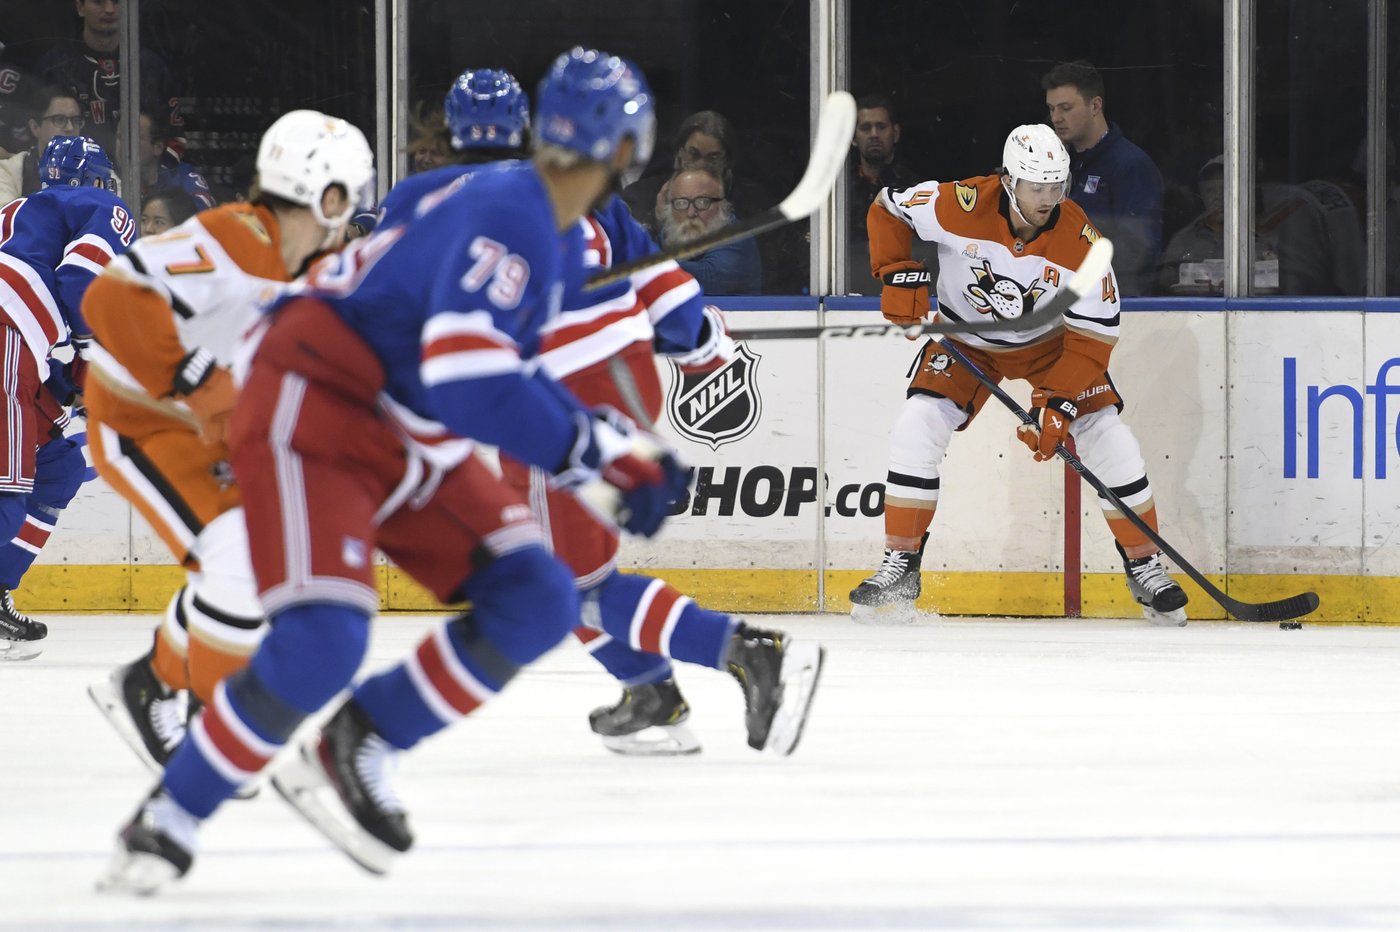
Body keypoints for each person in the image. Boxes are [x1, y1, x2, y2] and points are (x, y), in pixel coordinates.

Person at [98, 47, 694, 893]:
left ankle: (363, 740)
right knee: (325, 640)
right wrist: (600, 452)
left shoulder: (543, 229)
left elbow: (491, 373)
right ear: (628, 149)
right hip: (317, 402)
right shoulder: (515, 213)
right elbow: (468, 372)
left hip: (406, 423)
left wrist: (610, 455)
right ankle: (169, 817)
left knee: (538, 596)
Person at [382, 67, 816, 758]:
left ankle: (750, 651)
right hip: (625, 379)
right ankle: (652, 693)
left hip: (549, 397)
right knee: (558, 566)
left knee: (561, 584)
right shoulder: (583, 187)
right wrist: (703, 341)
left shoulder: (420, 197)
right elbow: (660, 284)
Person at [81, 110, 374, 774]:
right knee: (241, 560)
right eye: (348, 199)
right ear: (327, 196)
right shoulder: (233, 236)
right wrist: (205, 387)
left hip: (199, 429)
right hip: (141, 421)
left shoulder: (311, 267)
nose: (350, 216)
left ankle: (152, 684)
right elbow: (110, 299)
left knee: (258, 561)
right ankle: (215, 738)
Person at [848, 124, 1189, 628]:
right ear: (1009, 180)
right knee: (917, 422)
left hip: (1052, 350)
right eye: (1037, 187)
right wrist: (895, 273)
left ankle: (1145, 565)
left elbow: (1094, 340)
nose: (1049, 198)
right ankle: (900, 565)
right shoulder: (959, 205)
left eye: (1057, 186)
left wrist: (1059, 403)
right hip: (967, 340)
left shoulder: (1082, 243)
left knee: (1110, 438)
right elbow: (888, 207)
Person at [0, 135, 133, 661]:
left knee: (57, 466)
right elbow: (79, 274)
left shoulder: (20, 213)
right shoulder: (104, 205)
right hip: (7, 333)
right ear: (99, 180)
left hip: (21, 346)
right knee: (8, 490)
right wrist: (92, 348)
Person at [1042, 60, 1163, 297]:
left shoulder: (1130, 165)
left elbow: (1137, 251)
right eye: (1051, 108)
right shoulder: (1058, 165)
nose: (1056, 117)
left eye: (1066, 108)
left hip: (1120, 307)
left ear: (1095, 105)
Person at [36, 0, 180, 153]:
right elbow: (36, 135)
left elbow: (173, 140)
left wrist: (155, 174)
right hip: (73, 173)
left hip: (137, 175)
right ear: (80, 7)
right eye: (98, 1)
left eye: (117, 2)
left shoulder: (153, 68)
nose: (110, 9)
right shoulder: (53, 68)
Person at [846, 94, 921, 295]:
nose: (873, 134)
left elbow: (927, 248)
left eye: (881, 127)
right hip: (848, 294)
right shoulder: (838, 193)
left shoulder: (917, 189)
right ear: (853, 137)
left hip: (902, 291)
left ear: (895, 133)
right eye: (865, 128)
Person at [656, 166, 761, 294]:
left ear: (722, 204)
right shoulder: (669, 233)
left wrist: (649, 265)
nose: (690, 213)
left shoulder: (737, 235)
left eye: (702, 202)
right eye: (681, 203)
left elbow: (709, 279)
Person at [0, 85, 85, 204]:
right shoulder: (9, 172)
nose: (70, 128)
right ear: (35, 127)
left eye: (75, 120)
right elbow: (7, 218)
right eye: (59, 120)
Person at [123, 111, 216, 210]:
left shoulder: (185, 182)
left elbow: (204, 222)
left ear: (158, 147)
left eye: (134, 138)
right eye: (121, 137)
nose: (124, 144)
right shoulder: (108, 178)